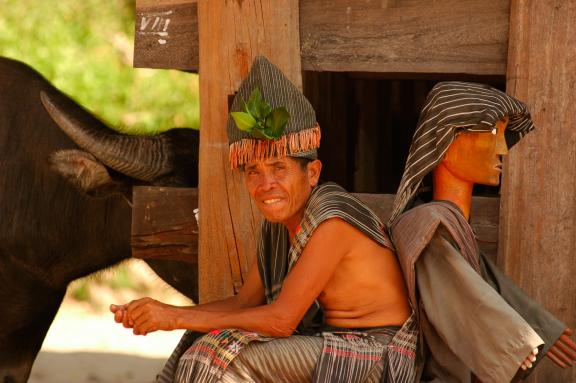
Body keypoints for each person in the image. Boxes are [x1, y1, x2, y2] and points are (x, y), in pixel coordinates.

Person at [110, 56, 419, 383]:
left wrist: (172, 317)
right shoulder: (278, 227)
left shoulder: (332, 222)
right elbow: (245, 302)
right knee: (203, 345)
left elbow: (282, 320)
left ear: (311, 173)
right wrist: (162, 313)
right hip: (333, 342)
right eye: (254, 172)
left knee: (225, 363)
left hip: (379, 352)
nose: (265, 184)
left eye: (279, 169)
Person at [388, 81, 576, 382]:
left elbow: (485, 280)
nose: (503, 148)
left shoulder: (445, 223)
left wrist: (540, 324)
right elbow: (463, 291)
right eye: (492, 132)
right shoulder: (423, 225)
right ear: (445, 143)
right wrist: (514, 341)